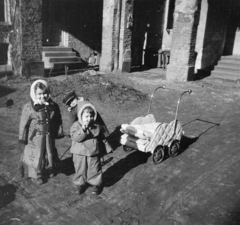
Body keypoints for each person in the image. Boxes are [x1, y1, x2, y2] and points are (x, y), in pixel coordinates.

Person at [18, 79, 63, 185]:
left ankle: (48, 168)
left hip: (48, 135)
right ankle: (35, 175)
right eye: (39, 94)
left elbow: (57, 119)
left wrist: (58, 131)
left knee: (48, 152)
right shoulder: (29, 107)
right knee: (35, 155)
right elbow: (23, 123)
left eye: (45, 93)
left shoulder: (53, 106)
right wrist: (23, 137)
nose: (43, 96)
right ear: (34, 93)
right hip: (34, 137)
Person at [70, 101, 106, 195]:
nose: (88, 119)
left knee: (94, 168)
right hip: (79, 152)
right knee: (80, 169)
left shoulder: (96, 126)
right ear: (80, 116)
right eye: (86, 116)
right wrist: (83, 130)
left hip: (92, 152)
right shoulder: (76, 125)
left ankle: (95, 183)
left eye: (91, 116)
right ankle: (80, 184)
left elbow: (99, 134)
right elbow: (75, 137)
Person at [62, 90, 113, 155]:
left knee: (97, 138)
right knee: (98, 138)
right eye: (69, 103)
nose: (72, 103)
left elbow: (71, 122)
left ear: (76, 97)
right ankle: (105, 148)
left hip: (93, 123)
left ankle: (105, 149)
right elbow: (72, 121)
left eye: (72, 100)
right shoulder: (79, 106)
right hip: (90, 124)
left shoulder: (80, 105)